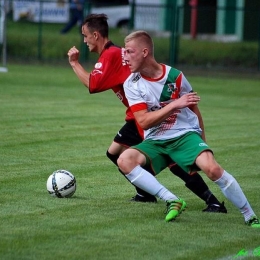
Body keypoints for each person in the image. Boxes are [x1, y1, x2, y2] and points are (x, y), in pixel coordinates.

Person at [67, 13, 227, 213]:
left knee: (172, 161)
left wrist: (74, 63)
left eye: (85, 35)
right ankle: (146, 193)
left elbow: (92, 84)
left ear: (96, 35)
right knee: (115, 152)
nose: (84, 40)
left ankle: (210, 201)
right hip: (135, 115)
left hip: (144, 115)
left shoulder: (111, 55)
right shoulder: (114, 54)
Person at [117, 30, 260, 227]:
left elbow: (193, 107)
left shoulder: (175, 76)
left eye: (129, 52)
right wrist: (174, 104)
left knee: (212, 168)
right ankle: (171, 199)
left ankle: (250, 215)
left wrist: (202, 139)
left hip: (184, 135)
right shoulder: (131, 84)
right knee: (124, 160)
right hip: (156, 139)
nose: (125, 57)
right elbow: (143, 122)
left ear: (145, 52)